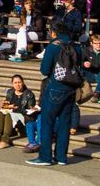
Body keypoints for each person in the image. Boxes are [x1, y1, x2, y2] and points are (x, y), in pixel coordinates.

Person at [29, 25, 80, 166]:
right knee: (65, 123)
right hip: (72, 88)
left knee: (47, 123)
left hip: (55, 87)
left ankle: (45, 157)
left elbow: (44, 70)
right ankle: (61, 157)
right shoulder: (76, 46)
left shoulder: (53, 46)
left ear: (54, 32)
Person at [0, 74, 38, 148]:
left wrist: (14, 108)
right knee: (0, 113)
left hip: (25, 117)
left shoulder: (29, 94)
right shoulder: (10, 92)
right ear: (12, 84)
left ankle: (5, 141)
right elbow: (6, 105)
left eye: (19, 82)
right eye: (15, 83)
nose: (17, 85)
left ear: (23, 83)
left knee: (9, 115)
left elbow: (30, 110)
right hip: (12, 114)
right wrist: (4, 106)